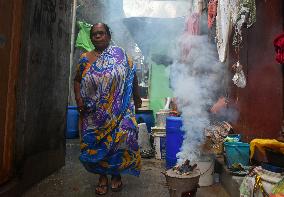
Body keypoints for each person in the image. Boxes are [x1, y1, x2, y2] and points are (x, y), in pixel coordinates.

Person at [74, 23, 142, 195]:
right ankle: (102, 177)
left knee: (119, 141)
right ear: (91, 38)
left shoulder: (120, 56)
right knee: (96, 145)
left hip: (119, 110)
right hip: (93, 114)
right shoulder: (85, 59)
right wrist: (79, 100)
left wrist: (136, 96)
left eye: (101, 33)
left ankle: (116, 174)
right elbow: (77, 80)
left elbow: (132, 76)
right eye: (94, 34)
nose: (98, 36)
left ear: (108, 36)